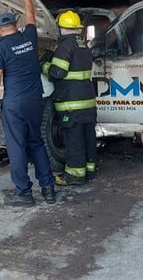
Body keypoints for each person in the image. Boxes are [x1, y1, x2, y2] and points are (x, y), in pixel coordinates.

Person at [0, 0, 56, 206]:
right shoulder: (30, 37)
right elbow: (32, 17)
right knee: (36, 143)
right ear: (16, 26)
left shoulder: (0, 49)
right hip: (35, 100)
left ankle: (24, 193)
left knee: (16, 147)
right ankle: (48, 189)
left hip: (14, 104)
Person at [42, 10, 97, 185]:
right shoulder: (83, 45)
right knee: (88, 138)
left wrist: (44, 64)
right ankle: (89, 171)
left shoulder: (65, 46)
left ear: (61, 28)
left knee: (74, 140)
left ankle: (74, 175)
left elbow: (57, 72)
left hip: (71, 104)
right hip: (87, 102)